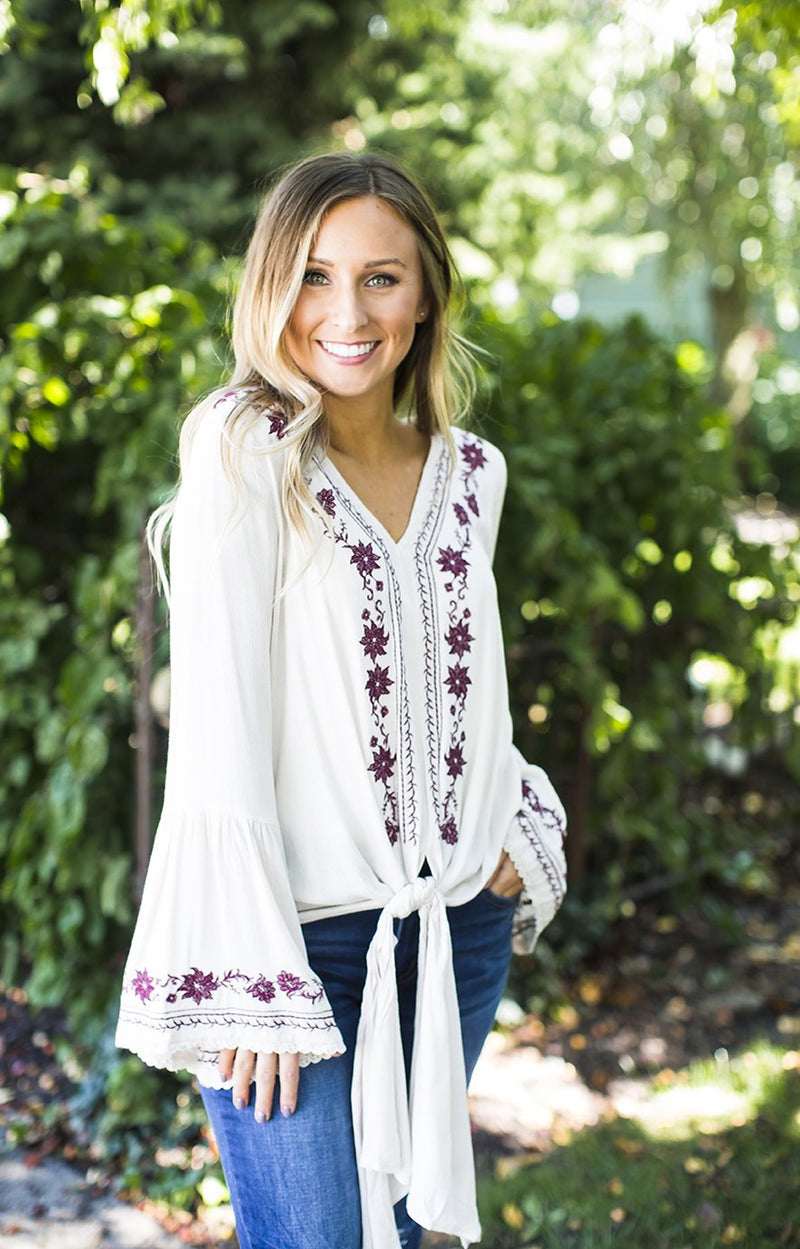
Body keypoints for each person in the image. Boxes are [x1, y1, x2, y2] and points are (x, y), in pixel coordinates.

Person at [115, 151, 567, 1249]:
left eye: (380, 277)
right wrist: (252, 958)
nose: (346, 312)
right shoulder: (240, 452)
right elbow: (219, 722)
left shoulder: (474, 473)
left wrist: (515, 814)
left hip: (450, 937)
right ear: (274, 287)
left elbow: (474, 681)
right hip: (295, 948)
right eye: (314, 275)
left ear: (423, 297)